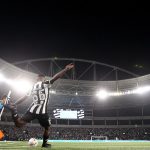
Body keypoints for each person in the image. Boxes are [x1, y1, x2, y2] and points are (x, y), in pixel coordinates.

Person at [4, 63, 74, 148]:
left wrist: (15, 104)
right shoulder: (45, 84)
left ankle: (13, 111)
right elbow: (56, 77)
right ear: (43, 79)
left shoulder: (32, 87)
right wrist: (66, 69)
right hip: (43, 111)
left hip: (32, 109)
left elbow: (24, 97)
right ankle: (44, 144)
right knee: (47, 127)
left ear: (37, 79)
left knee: (19, 124)